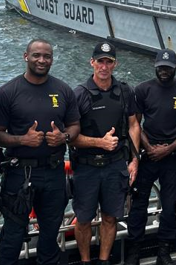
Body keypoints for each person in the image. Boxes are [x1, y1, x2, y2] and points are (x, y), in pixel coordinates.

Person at [0, 39, 80, 265]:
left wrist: (64, 137)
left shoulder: (63, 90)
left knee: (50, 234)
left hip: (54, 171)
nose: (42, 60)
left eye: (46, 56)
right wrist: (23, 139)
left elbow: (75, 126)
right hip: (19, 174)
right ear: (26, 56)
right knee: (12, 234)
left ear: (52, 59)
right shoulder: (7, 93)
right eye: (36, 55)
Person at [71, 41, 141, 265]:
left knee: (110, 217)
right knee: (83, 220)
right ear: (92, 63)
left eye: (108, 62)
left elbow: (133, 125)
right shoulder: (79, 94)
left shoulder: (124, 91)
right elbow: (70, 135)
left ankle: (102, 260)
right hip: (86, 167)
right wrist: (100, 143)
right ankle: (85, 261)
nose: (104, 66)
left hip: (115, 165)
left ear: (114, 64)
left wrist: (135, 159)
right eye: (100, 61)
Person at [124, 49, 176, 265]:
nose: (164, 71)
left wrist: (168, 149)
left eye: (168, 68)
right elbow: (135, 124)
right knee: (138, 206)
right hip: (147, 156)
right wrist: (149, 147)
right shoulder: (142, 89)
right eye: (161, 67)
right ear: (155, 66)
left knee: (170, 206)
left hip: (172, 158)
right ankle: (134, 250)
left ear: (175, 68)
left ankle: (164, 251)